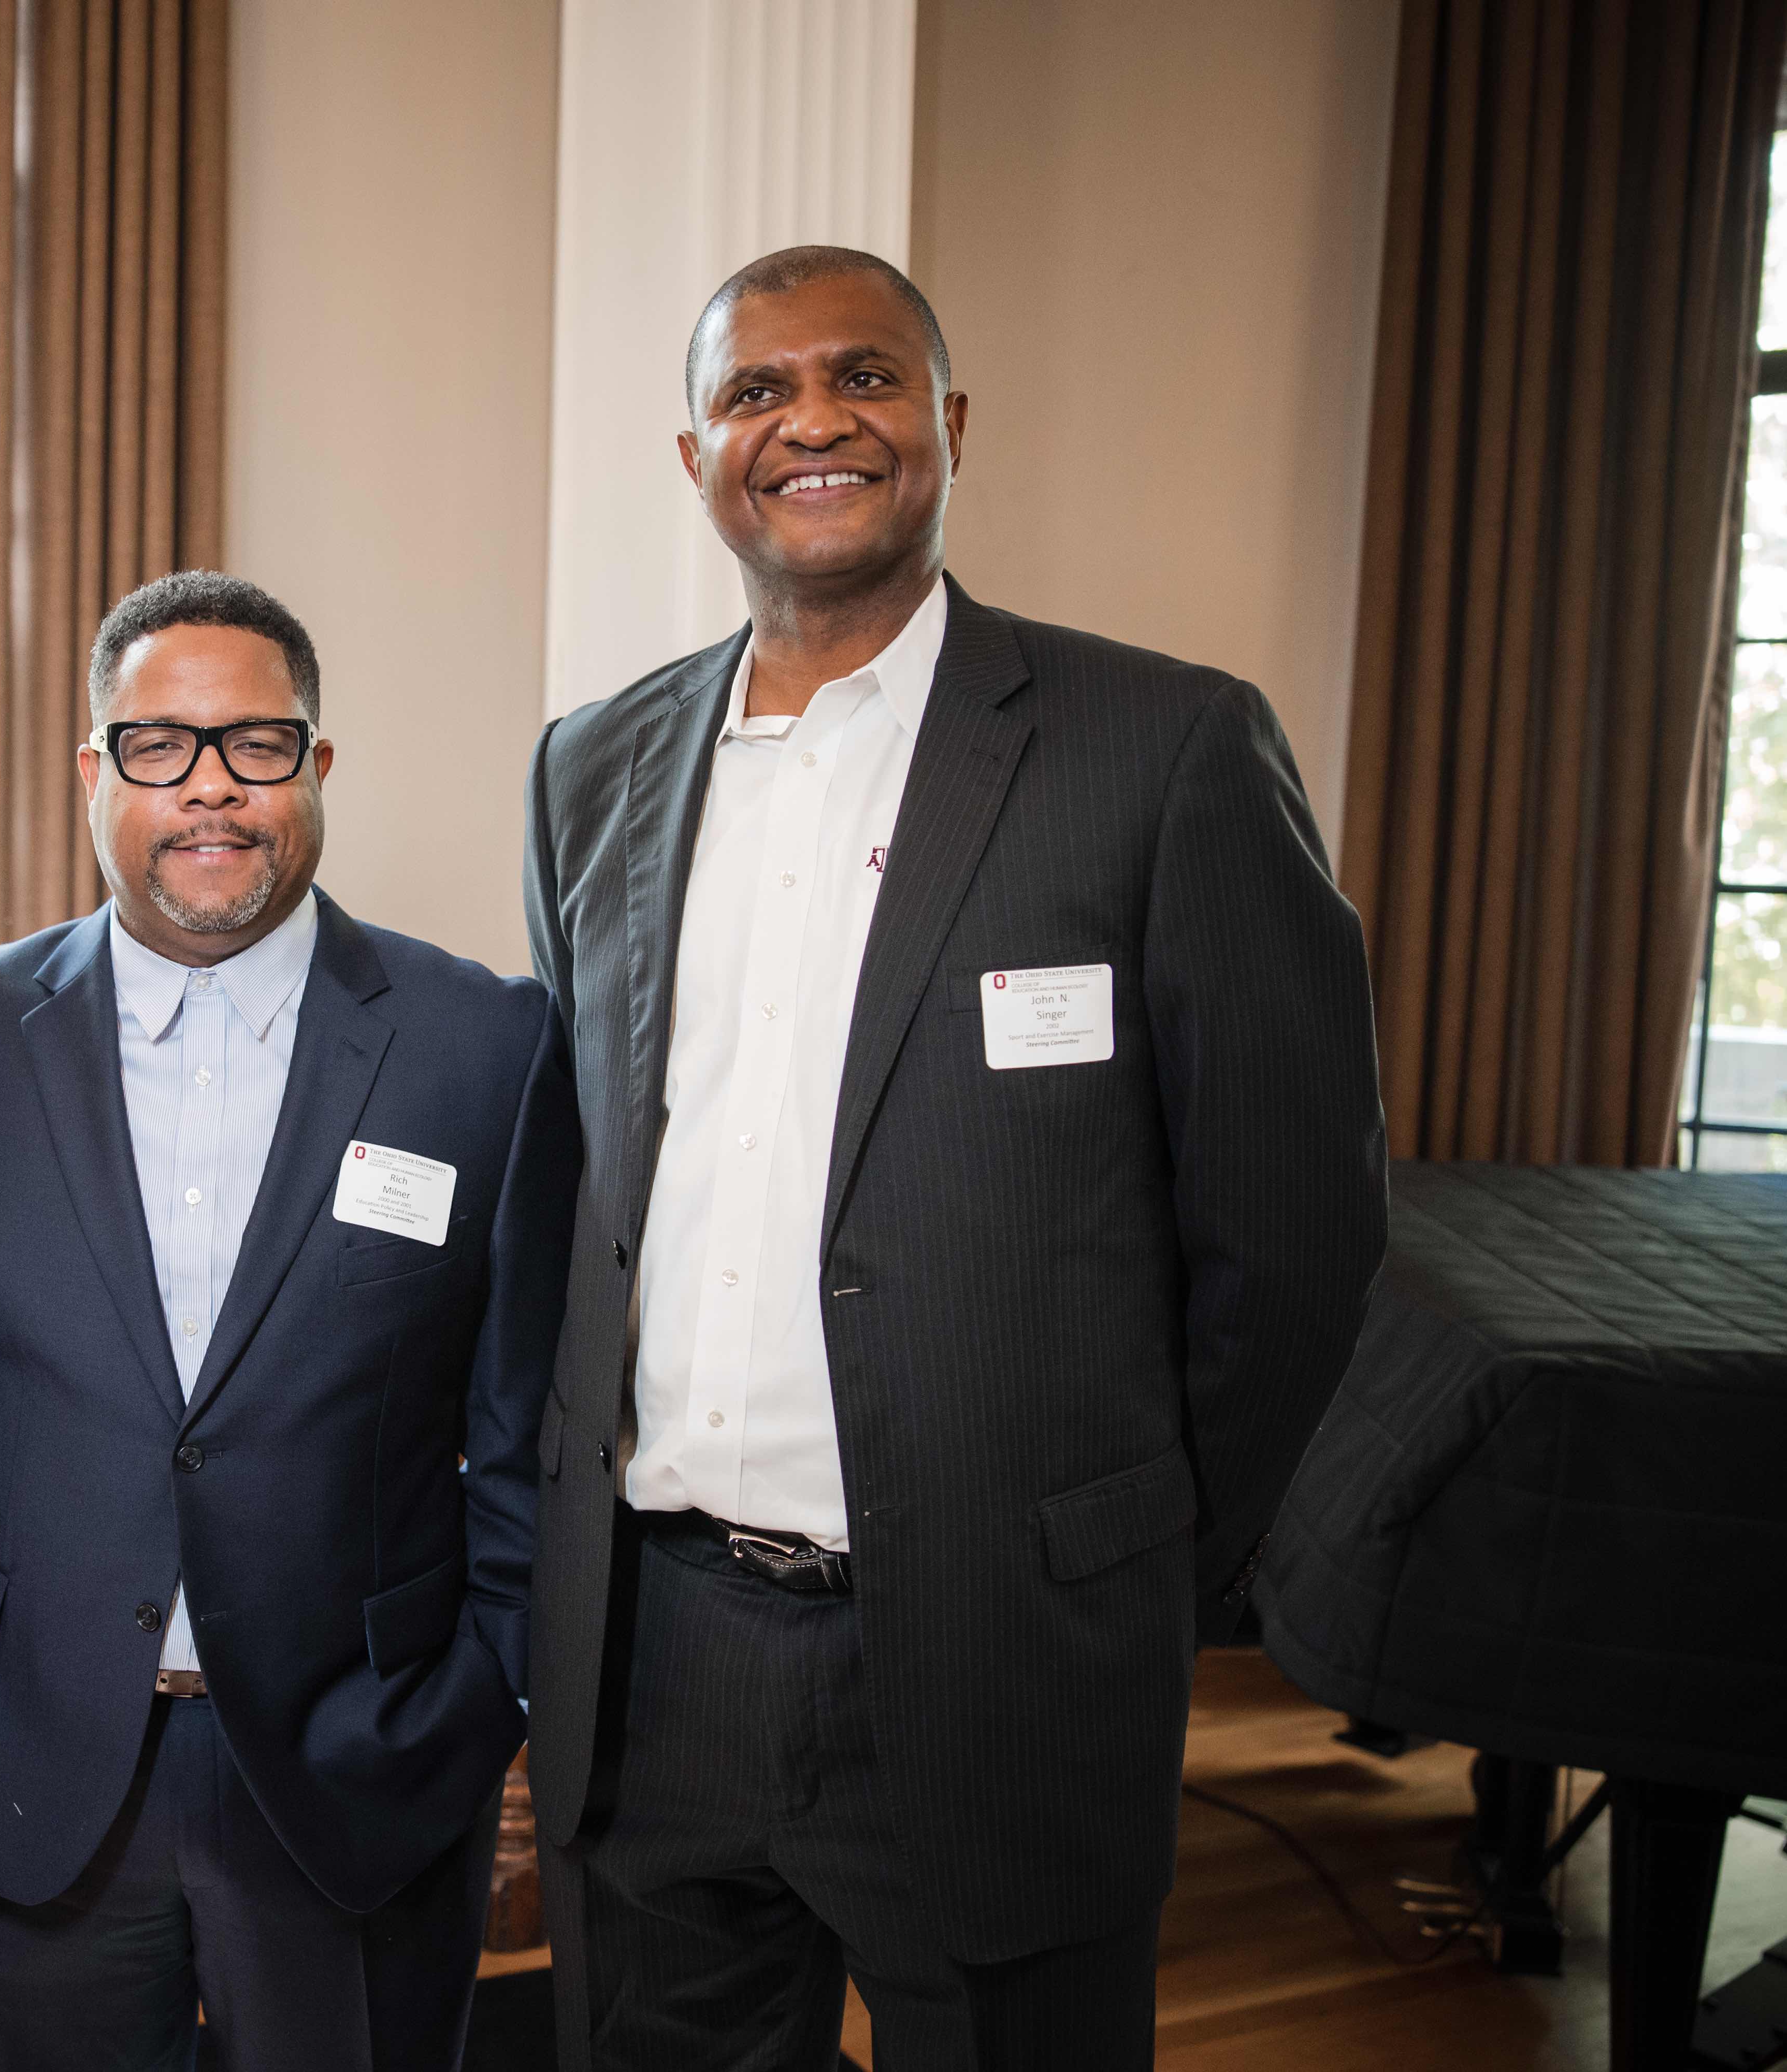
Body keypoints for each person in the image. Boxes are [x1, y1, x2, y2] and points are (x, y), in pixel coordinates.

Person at [522, 247, 1390, 2071]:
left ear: (950, 426)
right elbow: (582, 1208)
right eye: (757, 393)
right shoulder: (588, 770)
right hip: (657, 1657)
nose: (813, 420)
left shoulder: (1162, 750)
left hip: (1003, 1660)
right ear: (696, 457)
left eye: (866, 377)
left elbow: (1293, 1241)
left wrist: (1120, 1559)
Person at [0, 571, 579, 2070]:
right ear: (93, 774)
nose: (210, 791)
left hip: (362, 1762)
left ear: (315, 768)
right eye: (159, 748)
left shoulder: (483, 1042)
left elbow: (524, 1422)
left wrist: (493, 1690)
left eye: (256, 745)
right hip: (36, 1750)